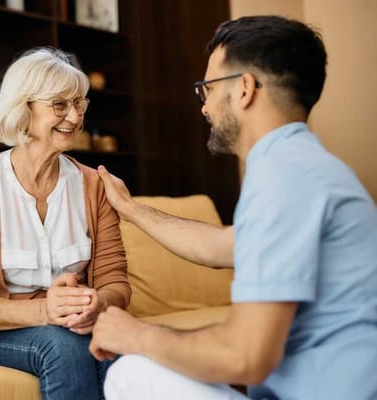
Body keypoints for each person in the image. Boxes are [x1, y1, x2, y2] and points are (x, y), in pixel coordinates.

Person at [89, 15, 377, 400]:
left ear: (243, 89)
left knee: (130, 373)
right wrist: (130, 208)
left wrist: (136, 334)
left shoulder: (282, 177)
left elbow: (246, 356)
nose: (204, 107)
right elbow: (219, 246)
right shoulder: (309, 167)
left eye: (207, 88)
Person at [0, 47, 131, 400]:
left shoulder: (94, 185)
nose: (75, 117)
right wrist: (46, 310)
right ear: (23, 108)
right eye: (59, 105)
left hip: (76, 328)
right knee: (63, 346)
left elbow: (117, 284)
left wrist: (95, 302)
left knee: (122, 345)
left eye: (80, 104)